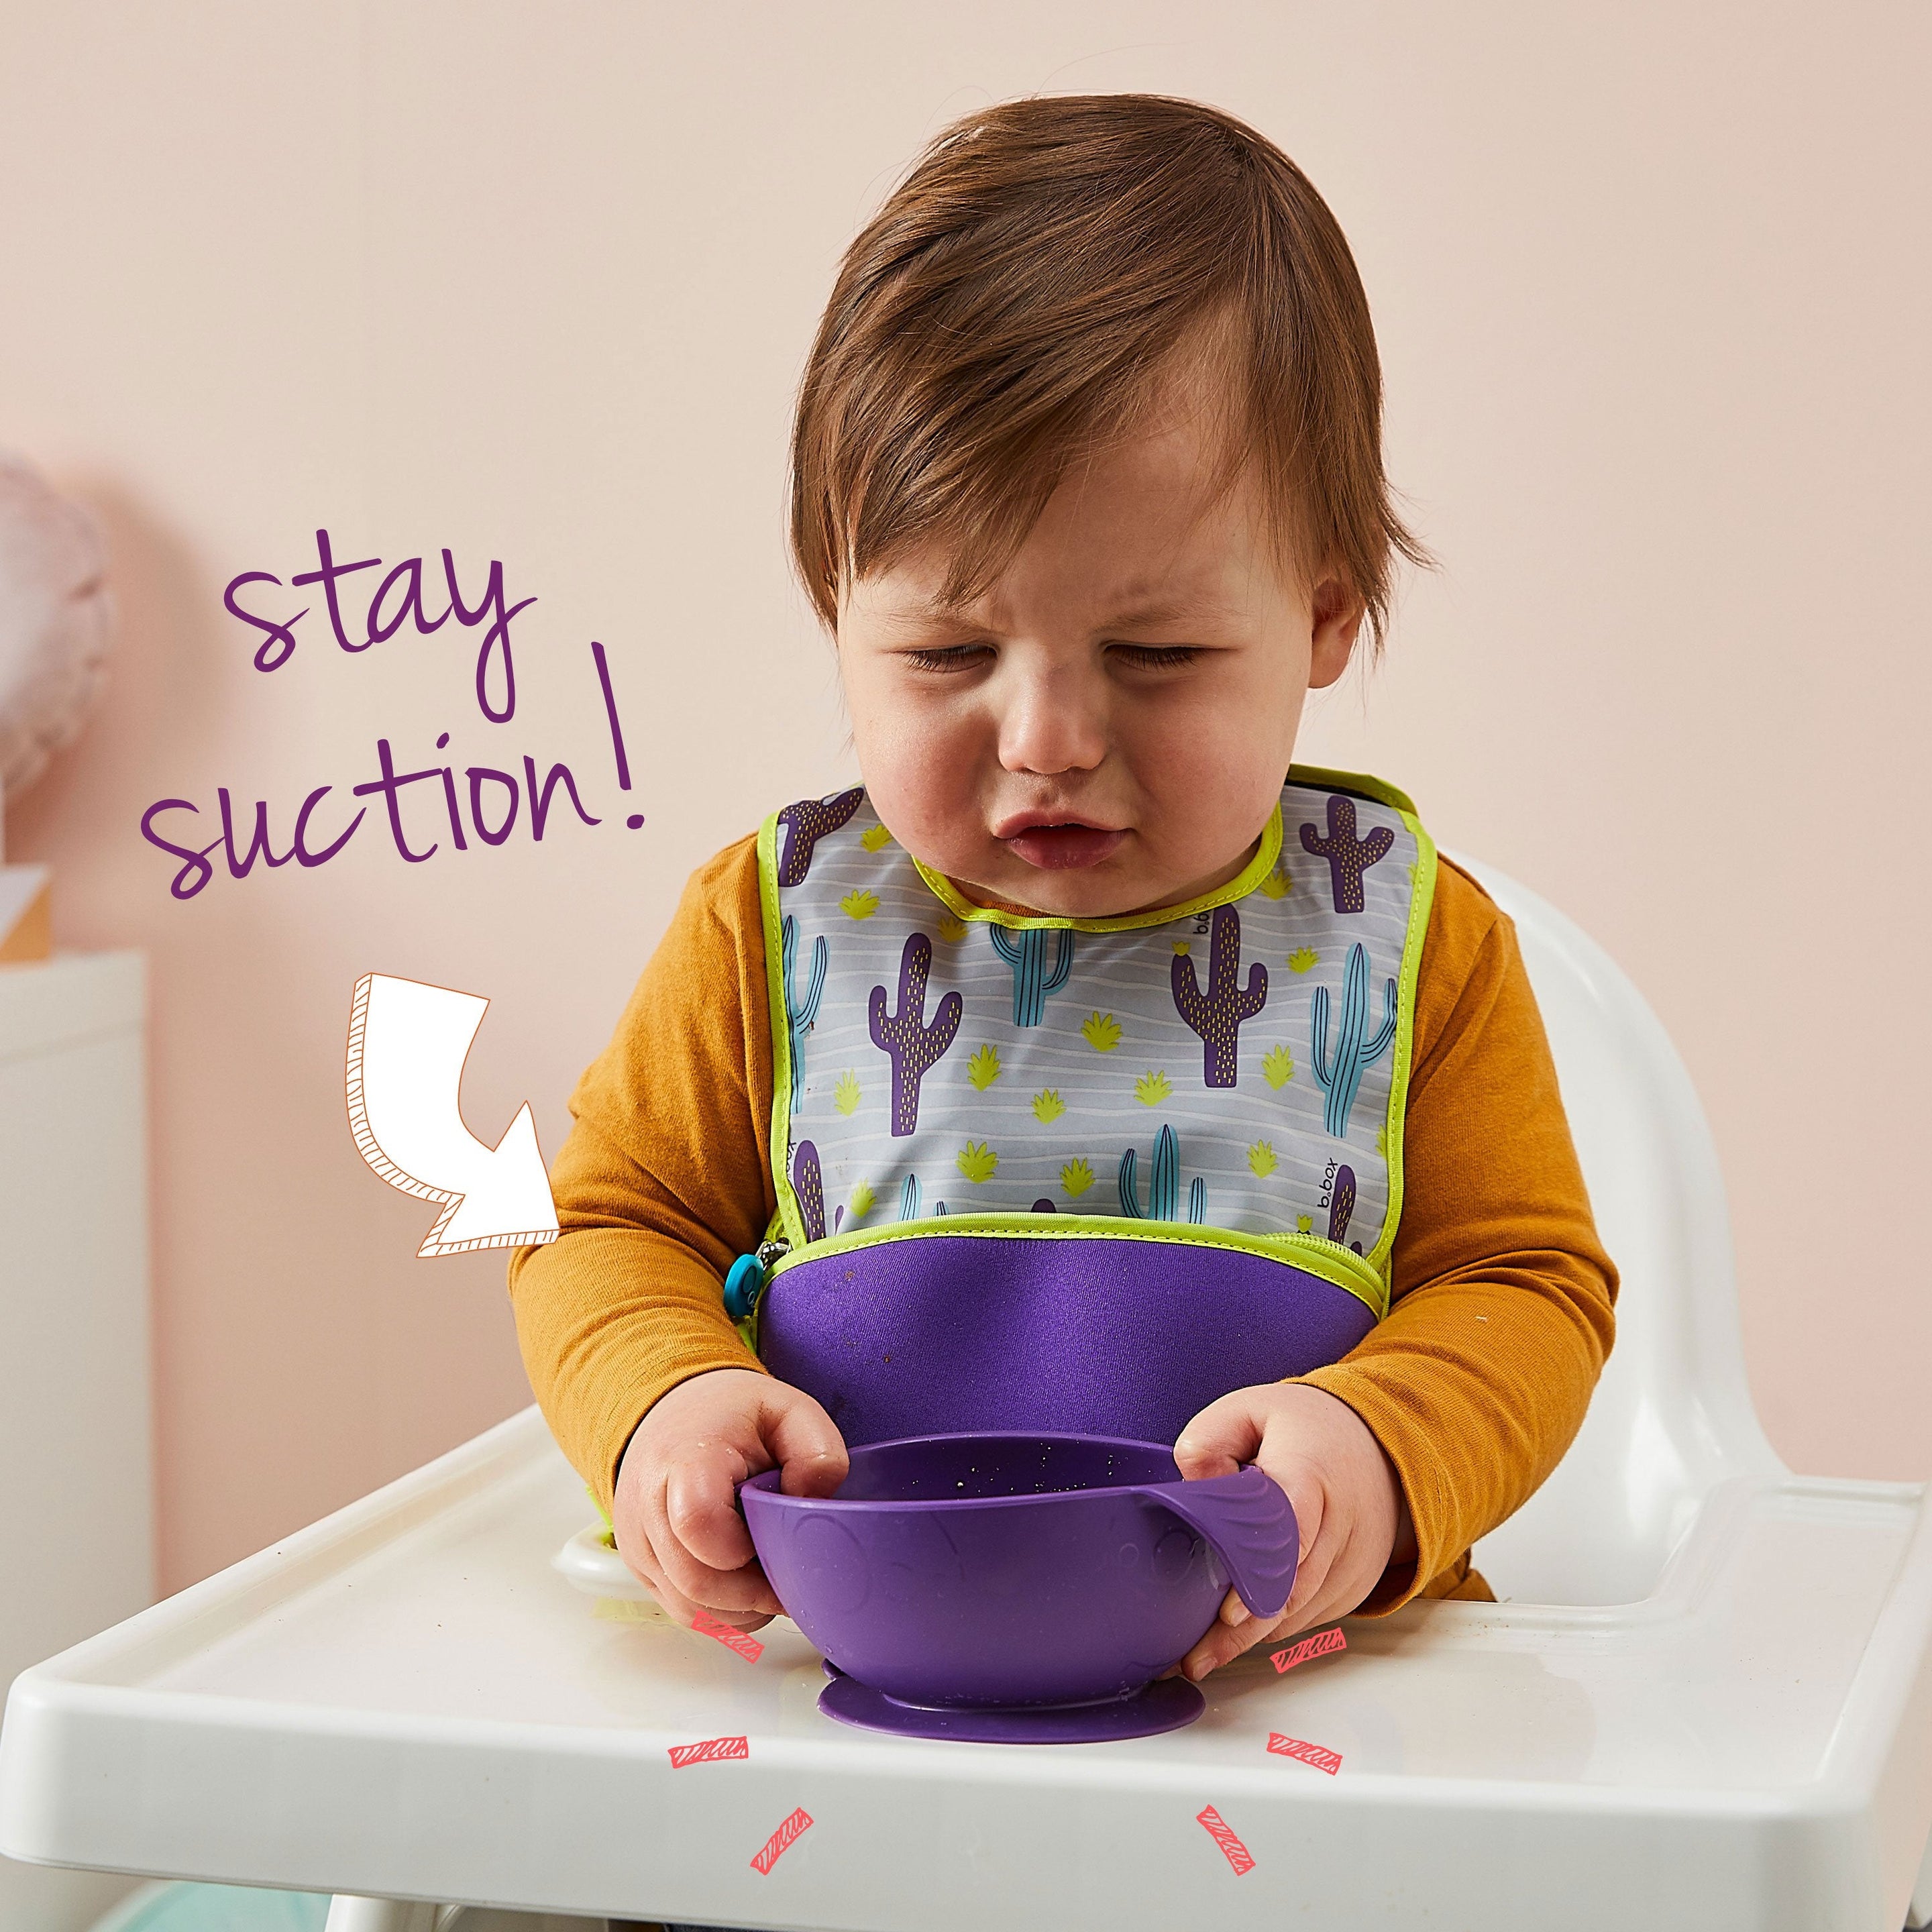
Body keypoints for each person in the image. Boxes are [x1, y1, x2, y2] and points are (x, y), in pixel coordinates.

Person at [509, 93, 1617, 1693]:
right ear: (837, 610)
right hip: (847, 1716)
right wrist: (662, 1402)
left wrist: (1379, 1449)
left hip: (1302, 1719)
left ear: (1321, 615)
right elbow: (607, 1226)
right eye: (949, 653)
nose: (1048, 741)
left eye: (1157, 655)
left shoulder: (1410, 940)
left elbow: (1525, 1287)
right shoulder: (772, 927)